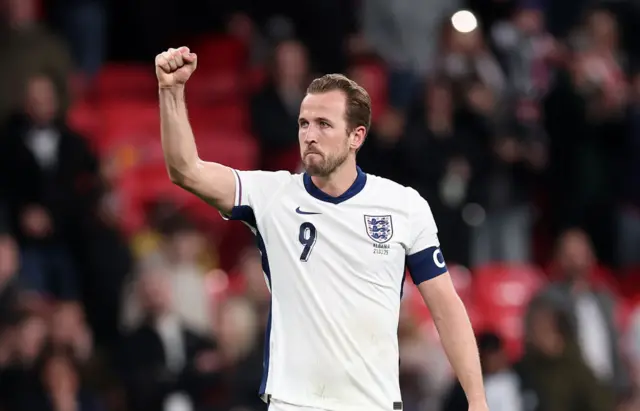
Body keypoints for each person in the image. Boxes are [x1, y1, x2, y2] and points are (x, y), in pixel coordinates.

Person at [156, 46, 487, 411]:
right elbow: (186, 170)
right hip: (292, 404)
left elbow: (446, 308)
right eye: (303, 123)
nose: (309, 135)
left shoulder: (403, 205)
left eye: (324, 124)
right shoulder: (270, 196)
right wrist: (171, 91)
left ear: (356, 136)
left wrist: (476, 401)